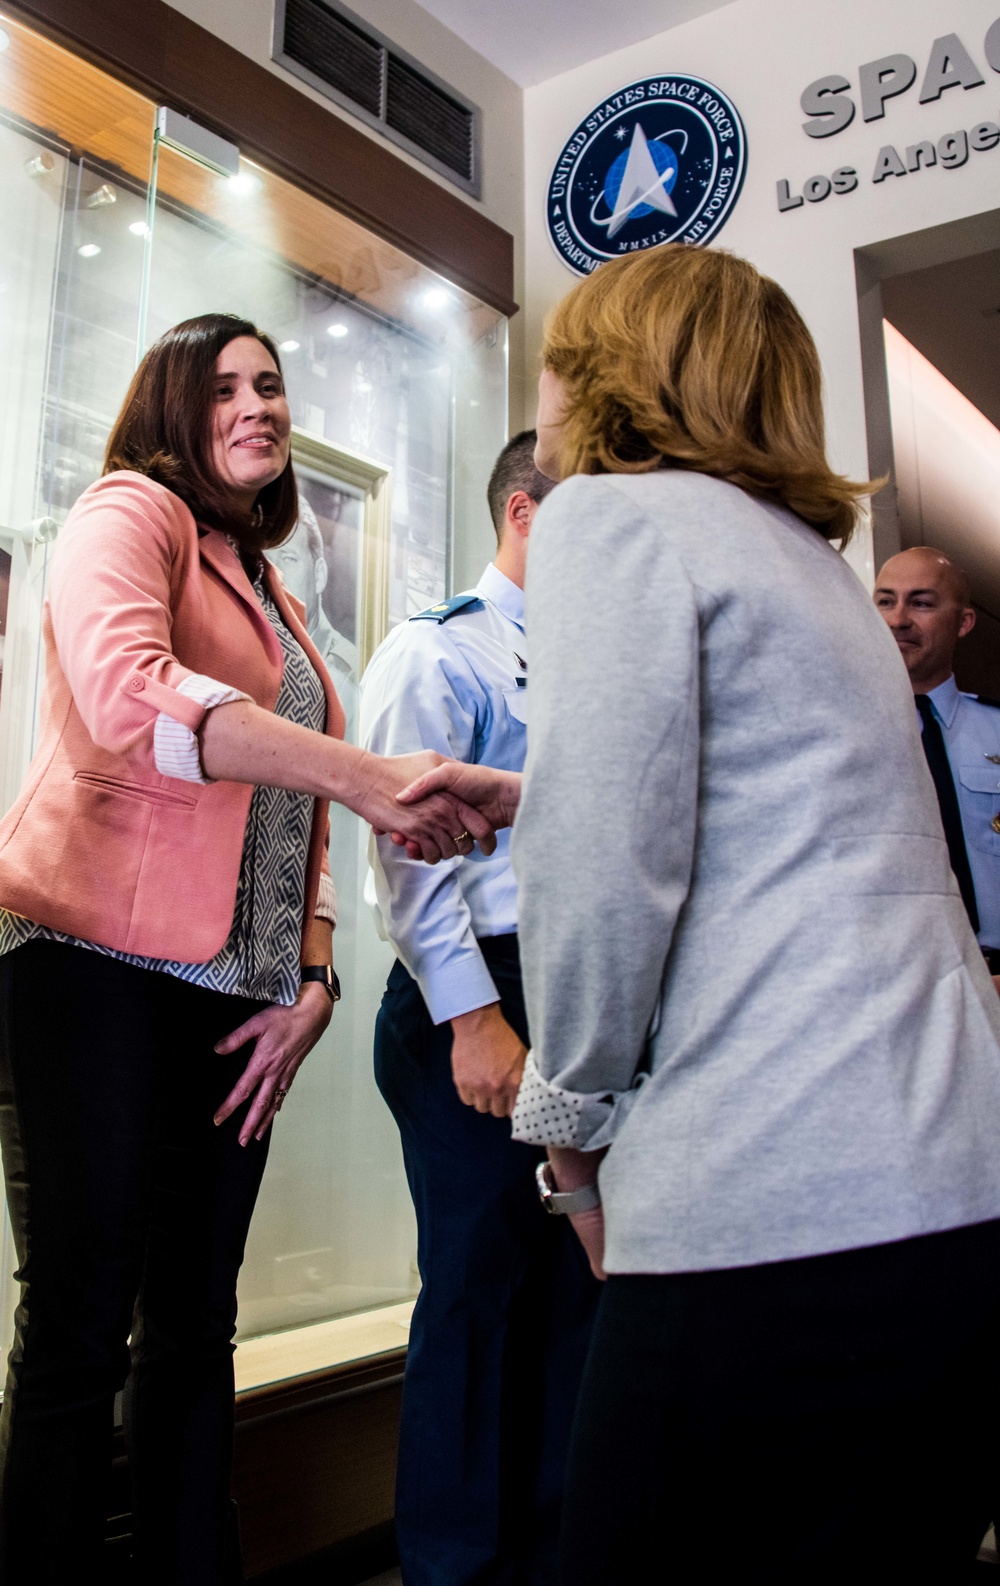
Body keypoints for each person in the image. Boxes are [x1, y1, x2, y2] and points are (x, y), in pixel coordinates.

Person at [394, 247, 1000, 1581]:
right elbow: (788, 817)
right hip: (953, 1186)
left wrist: (568, 1142)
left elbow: (603, 888)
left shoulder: (613, 521)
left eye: (560, 350)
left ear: (609, 369)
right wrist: (529, 789)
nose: (542, 378)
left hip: (774, 1194)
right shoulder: (810, 565)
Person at [0, 312, 491, 1585]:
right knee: (80, 1325)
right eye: (225, 386)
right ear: (173, 404)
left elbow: (297, 819)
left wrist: (316, 973)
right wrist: (371, 771)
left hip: (242, 995)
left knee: (194, 1327)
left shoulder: (270, 585)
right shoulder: (127, 511)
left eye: (270, 384)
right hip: (90, 967)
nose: (258, 404)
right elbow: (128, 700)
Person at [360, 432, 598, 1586]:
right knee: (474, 1281)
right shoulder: (436, 647)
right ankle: (451, 1565)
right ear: (525, 511)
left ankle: (547, 1555)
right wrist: (472, 1016)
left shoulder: (599, 658)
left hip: (574, 990)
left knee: (571, 1288)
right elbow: (407, 855)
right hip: (476, 991)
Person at [874, 545, 1000, 983]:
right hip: (892, 981)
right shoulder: (839, 737)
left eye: (922, 602)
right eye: (885, 601)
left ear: (963, 622)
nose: (898, 619)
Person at [267, 495, 359, 739]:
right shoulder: (260, 657)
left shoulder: (346, 675)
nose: (275, 575)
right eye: (266, 562)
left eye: (288, 559)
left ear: (318, 575)